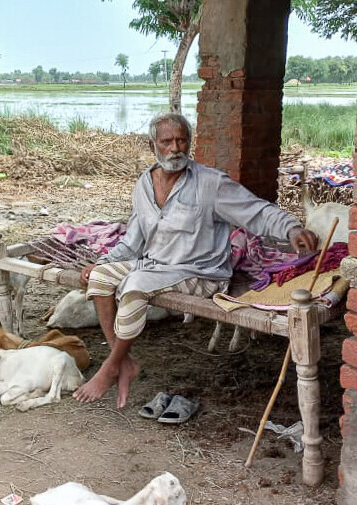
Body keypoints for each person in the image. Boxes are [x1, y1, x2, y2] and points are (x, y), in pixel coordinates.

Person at [73, 113, 319, 409]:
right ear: (153, 145)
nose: (175, 148)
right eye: (167, 142)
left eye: (181, 140)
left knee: (135, 285)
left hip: (201, 273)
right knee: (101, 278)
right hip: (155, 266)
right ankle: (123, 362)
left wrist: (290, 228)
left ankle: (110, 367)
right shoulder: (143, 184)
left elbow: (255, 211)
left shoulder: (210, 183)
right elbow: (132, 241)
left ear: (189, 143)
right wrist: (103, 262)